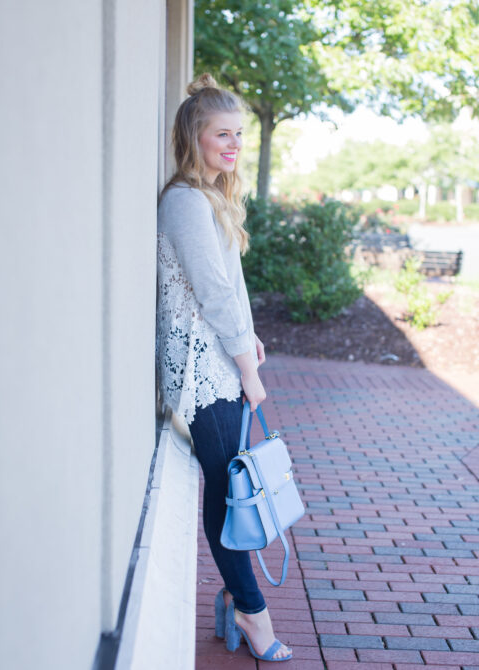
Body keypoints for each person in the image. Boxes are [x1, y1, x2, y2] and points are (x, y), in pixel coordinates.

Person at [156, 73, 292, 662]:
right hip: (201, 372)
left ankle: (239, 603)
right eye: (222, 134)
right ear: (195, 137)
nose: (234, 145)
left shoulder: (212, 197)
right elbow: (212, 296)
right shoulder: (185, 201)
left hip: (223, 365)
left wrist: (251, 341)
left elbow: (230, 289)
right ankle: (252, 613)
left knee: (228, 490)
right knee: (231, 492)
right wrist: (249, 371)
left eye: (239, 134)